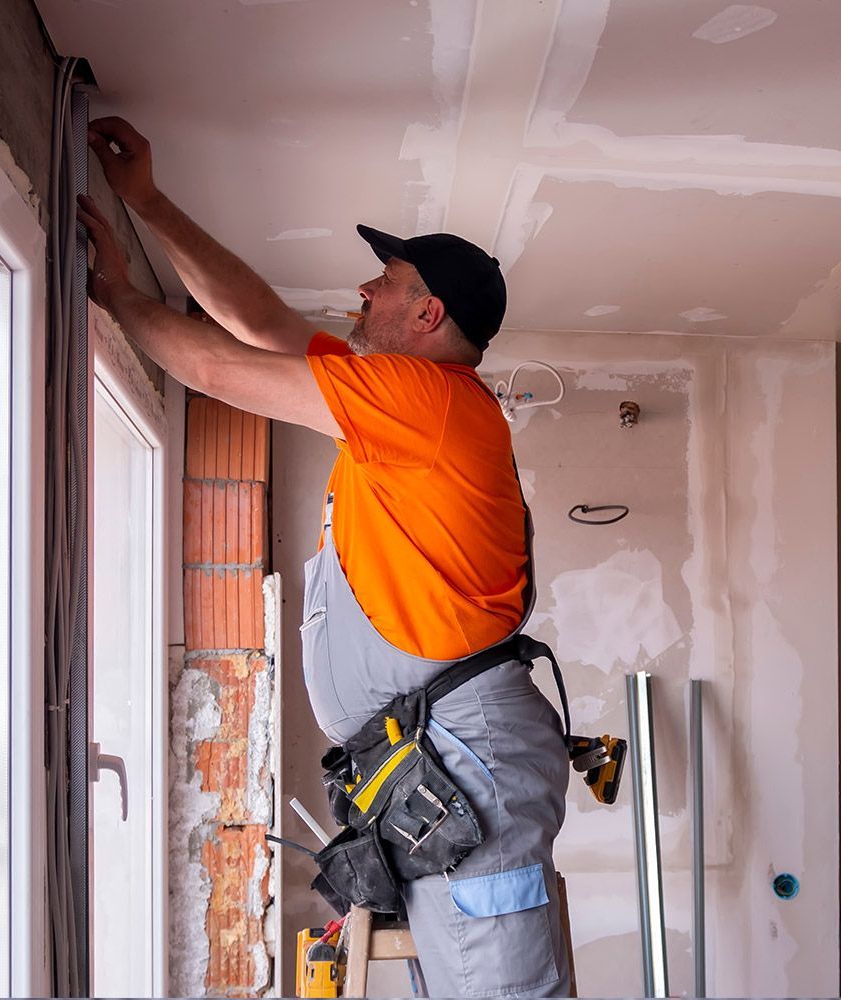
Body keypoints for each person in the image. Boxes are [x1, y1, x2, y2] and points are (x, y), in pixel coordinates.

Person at [80, 116, 572, 999]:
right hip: (429, 758)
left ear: (428, 315)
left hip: (465, 755)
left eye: (385, 283)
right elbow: (255, 321)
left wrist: (118, 297)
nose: (362, 289)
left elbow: (220, 369)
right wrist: (149, 204)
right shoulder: (395, 411)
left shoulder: (424, 401)